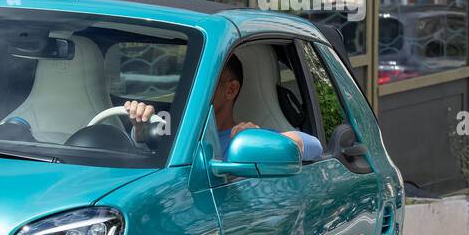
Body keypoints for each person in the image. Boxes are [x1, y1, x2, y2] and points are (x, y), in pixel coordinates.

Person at [124, 53, 323, 161]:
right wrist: (140, 131)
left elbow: (315, 146)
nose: (191, 90)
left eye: (203, 82)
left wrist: (266, 140)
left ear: (230, 90)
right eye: (187, 81)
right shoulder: (173, 132)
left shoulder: (245, 138)